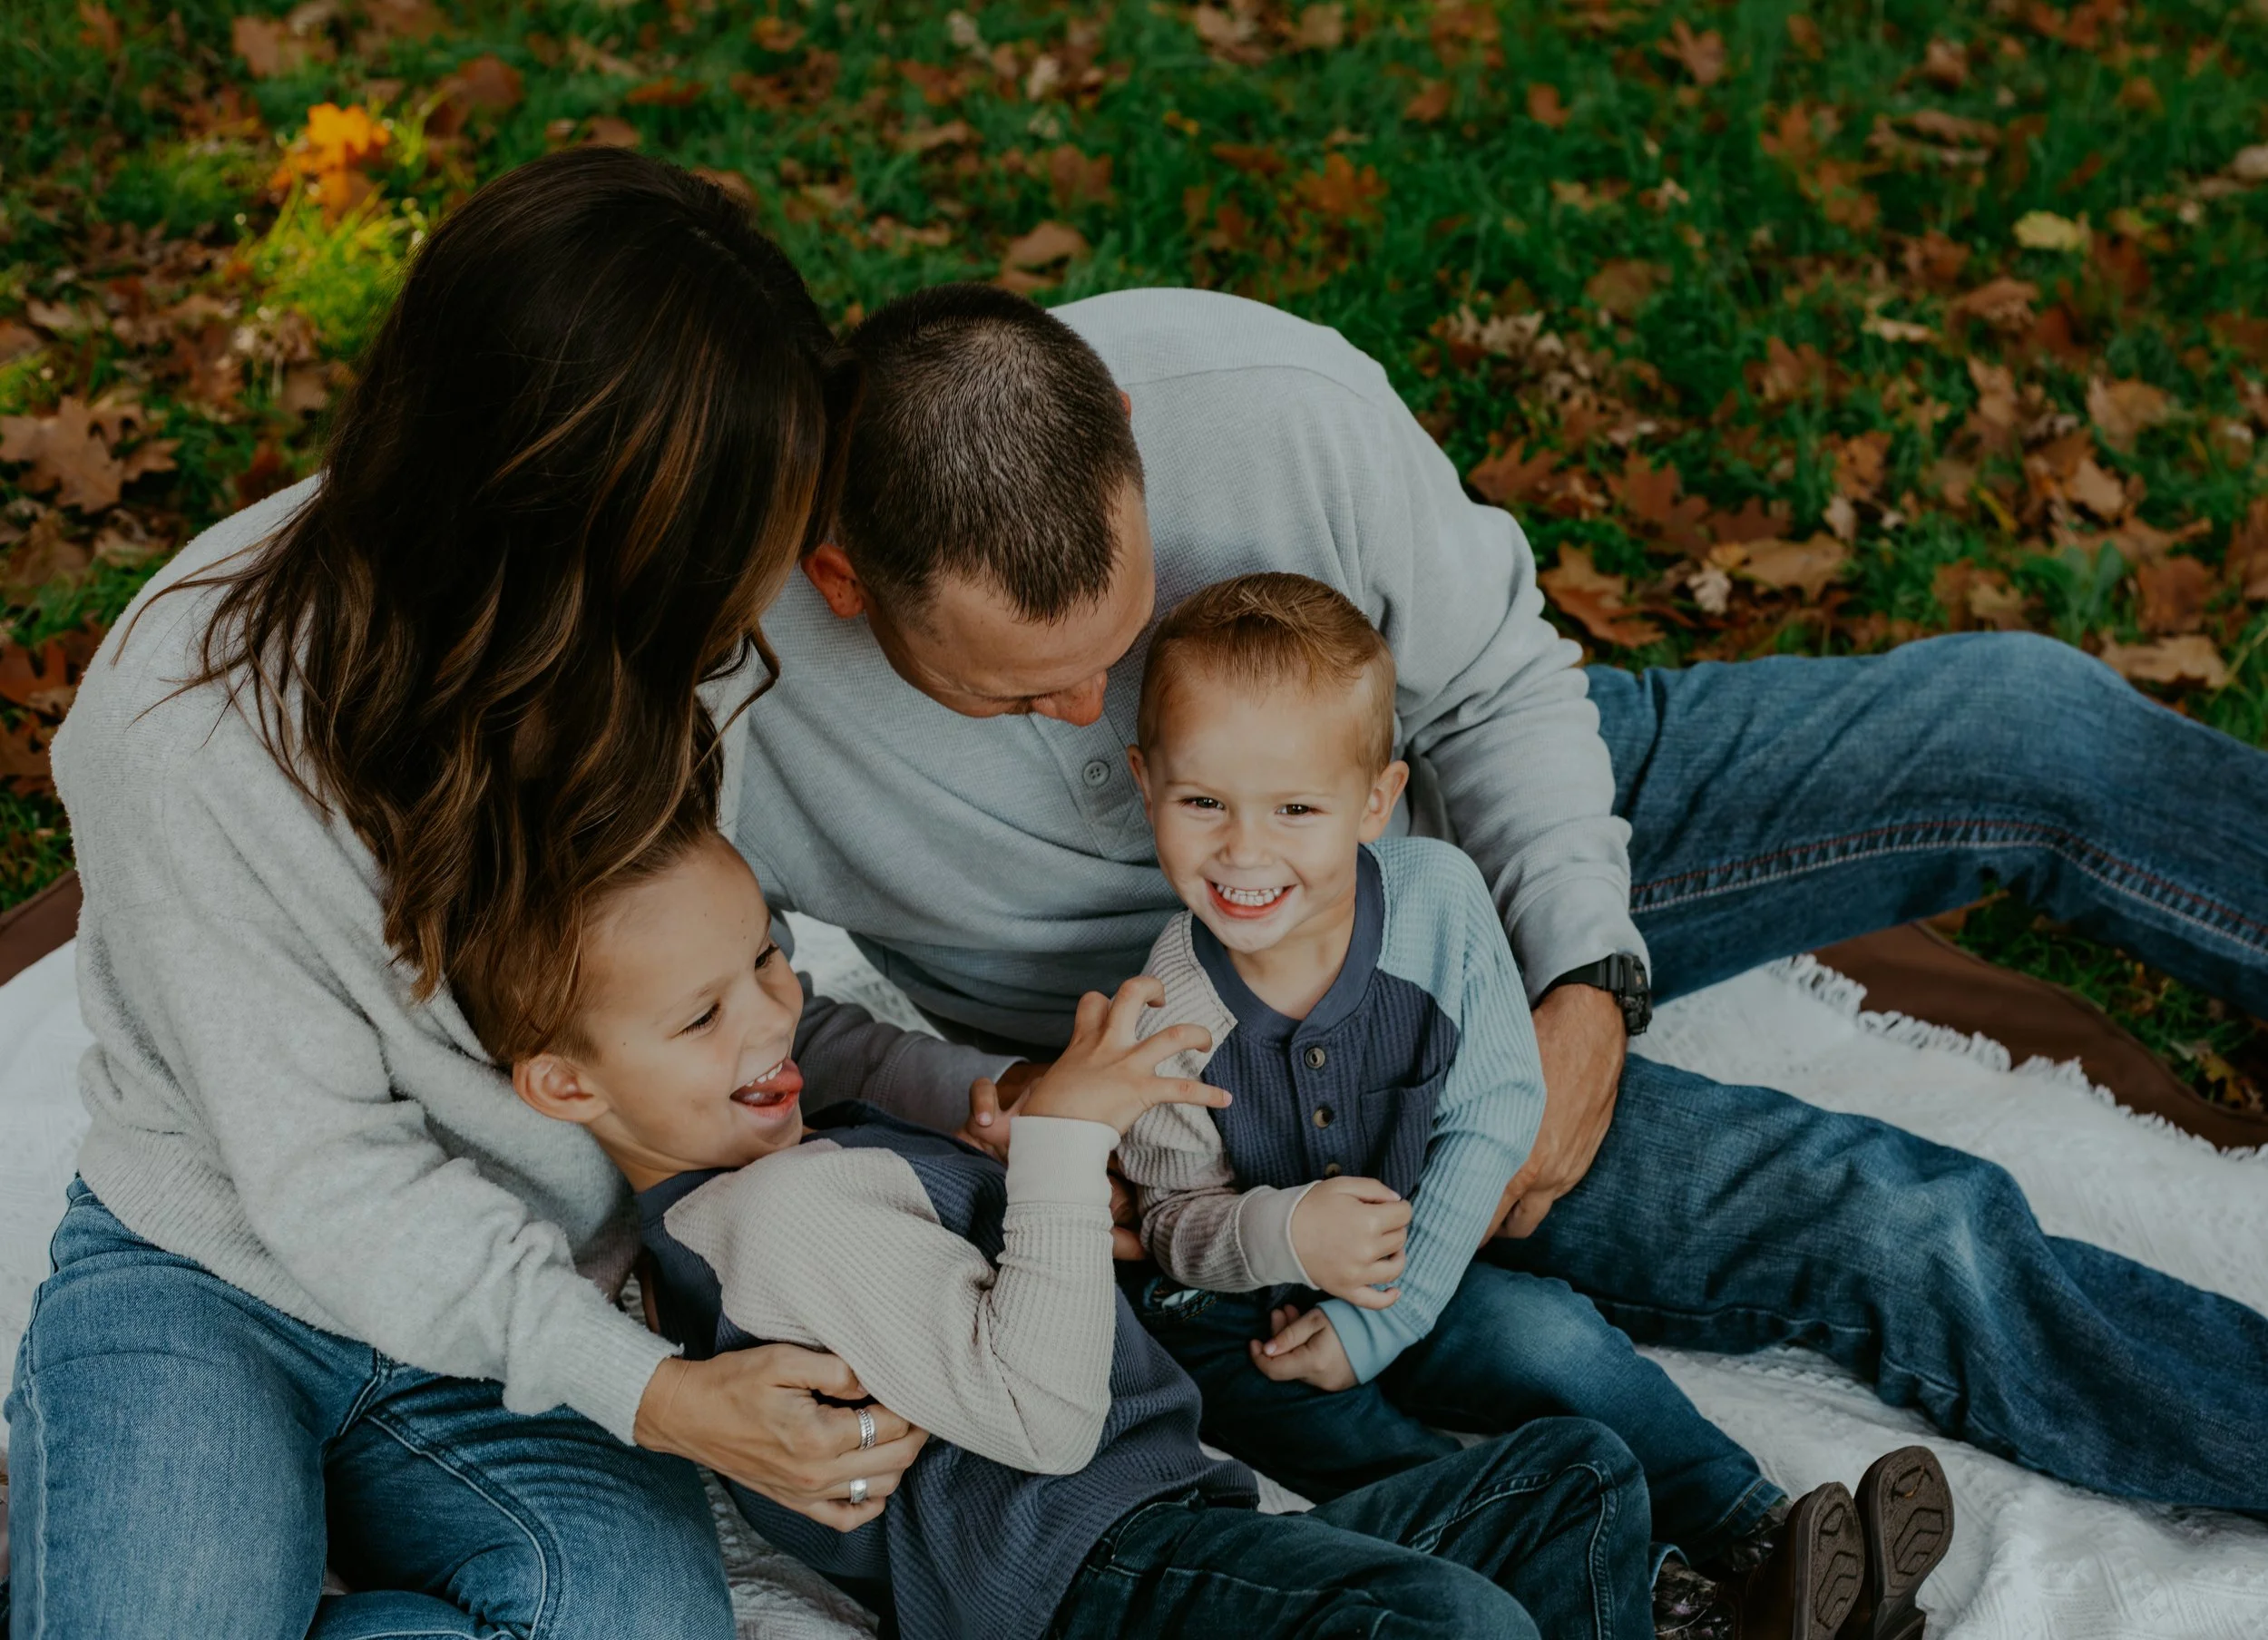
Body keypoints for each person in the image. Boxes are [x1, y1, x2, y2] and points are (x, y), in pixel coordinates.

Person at [735, 280, 2268, 1515]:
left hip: (1451, 804)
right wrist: (1004, 1095)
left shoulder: (1264, 397)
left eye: (1116, 646)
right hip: (1287, 1062)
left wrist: (1587, 979)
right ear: (846, 580)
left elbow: (1498, 693)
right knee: (1886, 1219)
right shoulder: (732, 705)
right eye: (1018, 697)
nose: (1092, 716)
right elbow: (723, 1012)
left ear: (1126, 431)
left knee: (2018, 720)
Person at [5, 151, 977, 1637]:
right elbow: (327, 1185)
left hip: (519, 1296)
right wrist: (655, 1397)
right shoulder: (186, 719)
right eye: (720, 547)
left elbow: (714, 982)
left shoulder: (669, 653)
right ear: (554, 517)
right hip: (208, 1276)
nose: (753, 594)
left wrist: (958, 1111)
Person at [487, 808, 1663, 1640]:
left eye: (764, 958)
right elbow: (1040, 1422)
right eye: (700, 1016)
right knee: (1449, 1621)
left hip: (1170, 1522)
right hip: (1070, 1586)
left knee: (1575, 1477)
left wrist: (1013, 1124)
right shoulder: (776, 1215)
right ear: (568, 1088)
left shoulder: (797, 1151)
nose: (770, 1016)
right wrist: (1062, 1147)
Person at [1109, 571, 1950, 1640]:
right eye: (1202, 802)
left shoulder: (1437, 899)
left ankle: (1767, 1538)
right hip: (1243, 1316)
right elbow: (1172, 1224)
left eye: (1295, 808)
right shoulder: (1165, 1008)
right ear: (1146, 783)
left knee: (1550, 1342)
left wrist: (1388, 1310)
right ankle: (1669, 1602)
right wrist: (1281, 1234)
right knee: (1345, 1436)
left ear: (1375, 798)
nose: (1244, 849)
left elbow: (1495, 1112)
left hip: (1428, 1252)